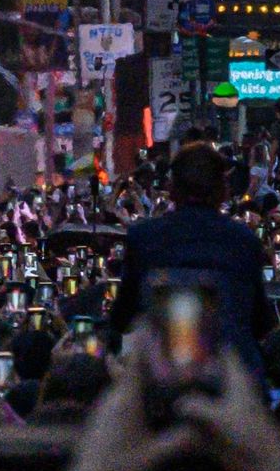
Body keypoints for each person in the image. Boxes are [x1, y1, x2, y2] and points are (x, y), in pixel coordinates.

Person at [109, 141, 271, 373]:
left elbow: (123, 318)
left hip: (162, 375)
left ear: (172, 189)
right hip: (232, 375)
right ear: (222, 191)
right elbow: (261, 323)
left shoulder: (143, 237)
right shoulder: (244, 240)